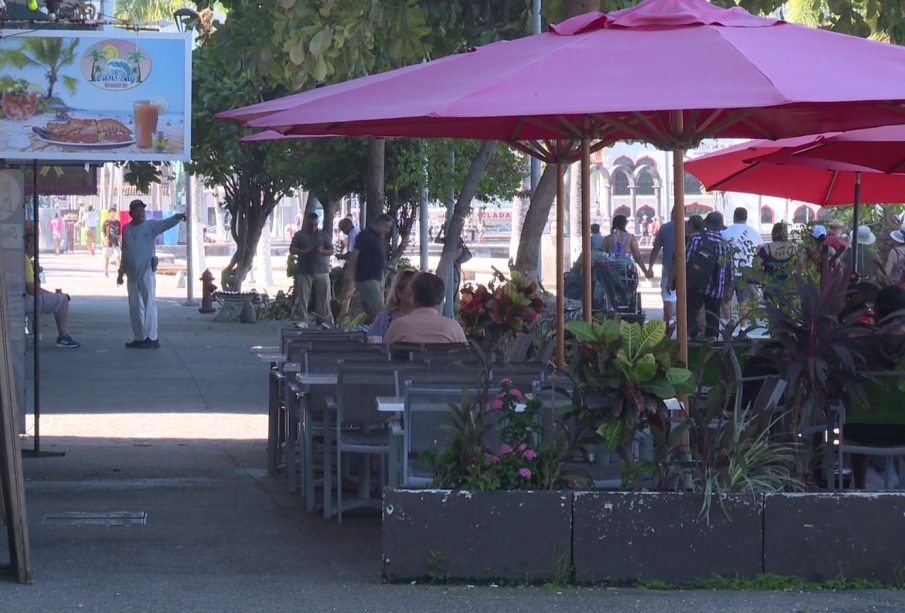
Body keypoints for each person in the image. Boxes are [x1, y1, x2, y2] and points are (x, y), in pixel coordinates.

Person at [116, 199, 187, 349]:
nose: (140, 213)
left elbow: (165, 224)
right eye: (137, 210)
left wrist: (177, 217)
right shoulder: (126, 229)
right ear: (131, 213)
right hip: (131, 274)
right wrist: (121, 272)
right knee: (134, 306)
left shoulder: (150, 226)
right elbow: (125, 251)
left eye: (142, 210)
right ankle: (139, 337)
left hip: (146, 271)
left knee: (150, 304)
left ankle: (152, 337)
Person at [24, 231, 80, 348]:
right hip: (25, 300)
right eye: (35, 244)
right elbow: (32, 289)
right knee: (62, 300)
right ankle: (62, 336)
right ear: (28, 244)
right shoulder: (24, 261)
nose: (37, 248)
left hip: (23, 298)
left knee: (60, 298)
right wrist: (53, 295)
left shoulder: (26, 261)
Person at [383, 272, 467, 345]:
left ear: (412, 295)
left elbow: (384, 358)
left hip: (409, 364)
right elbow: (465, 358)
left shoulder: (397, 326)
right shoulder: (453, 327)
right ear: (440, 298)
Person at [686, 212, 732, 339]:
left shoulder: (696, 238)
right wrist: (728, 289)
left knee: (689, 311)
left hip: (697, 284)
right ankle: (712, 342)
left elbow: (687, 259)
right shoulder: (726, 244)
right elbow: (729, 270)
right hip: (717, 286)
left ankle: (696, 334)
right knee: (713, 317)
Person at [290, 212, 334, 325]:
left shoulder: (324, 235)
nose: (313, 227)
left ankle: (325, 319)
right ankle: (303, 320)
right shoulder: (299, 235)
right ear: (307, 223)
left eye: (315, 225)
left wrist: (322, 251)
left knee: (324, 297)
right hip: (304, 270)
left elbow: (331, 250)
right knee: (303, 297)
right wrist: (304, 251)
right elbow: (292, 249)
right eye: (311, 225)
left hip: (322, 270)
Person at [720, 207, 763, 325]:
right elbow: (759, 251)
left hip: (729, 271)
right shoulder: (754, 233)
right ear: (746, 217)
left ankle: (729, 323)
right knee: (744, 302)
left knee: (726, 300)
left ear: (734, 217)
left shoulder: (725, 232)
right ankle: (743, 328)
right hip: (747, 272)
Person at [349, 213, 393, 324]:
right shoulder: (365, 235)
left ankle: (362, 331)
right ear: (379, 225)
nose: (387, 231)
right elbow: (355, 255)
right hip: (367, 278)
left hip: (374, 277)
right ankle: (381, 335)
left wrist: (386, 266)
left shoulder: (376, 238)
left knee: (365, 311)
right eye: (387, 227)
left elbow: (374, 256)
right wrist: (352, 273)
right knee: (379, 310)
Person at [368, 268, 418, 339]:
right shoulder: (384, 319)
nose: (417, 294)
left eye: (421, 291)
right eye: (411, 291)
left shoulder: (427, 319)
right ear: (399, 293)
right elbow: (374, 345)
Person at [755, 222, 796, 305]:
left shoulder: (766, 248)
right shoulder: (792, 248)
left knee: (771, 310)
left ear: (773, 233)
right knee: (787, 312)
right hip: (787, 285)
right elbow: (798, 266)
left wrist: (762, 274)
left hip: (769, 284)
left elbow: (757, 265)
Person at [648, 209, 676, 328]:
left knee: (667, 297)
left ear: (672, 214)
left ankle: (667, 322)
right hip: (686, 269)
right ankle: (682, 323)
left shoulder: (665, 228)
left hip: (668, 267)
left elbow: (656, 249)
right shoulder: (688, 227)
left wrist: (650, 267)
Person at [602, 214, 652, 278]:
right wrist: (645, 272)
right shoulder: (630, 238)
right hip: (627, 271)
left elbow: (603, 256)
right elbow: (637, 257)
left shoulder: (607, 238)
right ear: (625, 224)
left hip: (611, 271)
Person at [102, 208, 121, 278]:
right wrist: (104, 241)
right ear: (109, 213)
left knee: (117, 257)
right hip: (108, 243)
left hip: (116, 243)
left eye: (114, 212)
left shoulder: (118, 223)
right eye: (111, 212)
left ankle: (119, 272)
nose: (113, 213)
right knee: (107, 258)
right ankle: (106, 272)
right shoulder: (106, 222)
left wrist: (121, 242)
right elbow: (102, 233)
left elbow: (119, 234)